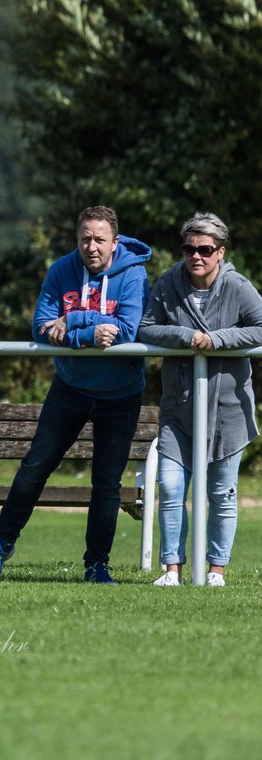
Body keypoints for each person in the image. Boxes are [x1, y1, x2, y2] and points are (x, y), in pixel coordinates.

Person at [0, 205, 151, 583]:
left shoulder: (134, 273)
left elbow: (128, 330)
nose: (91, 247)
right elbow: (41, 327)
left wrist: (71, 320)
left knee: (106, 483)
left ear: (115, 242)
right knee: (35, 467)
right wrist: (86, 334)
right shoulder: (61, 270)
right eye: (84, 238)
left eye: (99, 240)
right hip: (69, 387)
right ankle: (1, 543)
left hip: (120, 394)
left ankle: (96, 564)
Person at [137, 213, 262, 587]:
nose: (196, 256)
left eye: (205, 250)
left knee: (222, 493)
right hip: (179, 408)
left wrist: (218, 340)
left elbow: (259, 327)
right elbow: (145, 326)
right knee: (172, 488)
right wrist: (184, 336)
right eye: (190, 248)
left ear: (220, 252)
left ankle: (216, 571)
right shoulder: (167, 283)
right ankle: (171, 570)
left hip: (228, 411)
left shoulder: (239, 287)